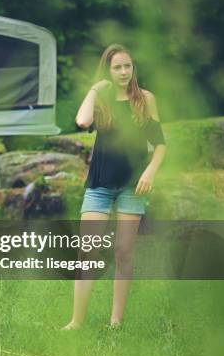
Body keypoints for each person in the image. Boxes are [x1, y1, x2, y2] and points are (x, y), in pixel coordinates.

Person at [63, 44, 166, 329]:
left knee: (123, 251)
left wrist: (151, 172)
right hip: (100, 185)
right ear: (108, 71)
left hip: (133, 186)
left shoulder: (145, 99)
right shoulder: (102, 101)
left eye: (127, 66)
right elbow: (82, 121)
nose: (123, 72)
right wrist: (95, 89)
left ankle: (116, 321)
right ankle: (76, 321)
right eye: (117, 67)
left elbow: (160, 145)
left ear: (133, 68)